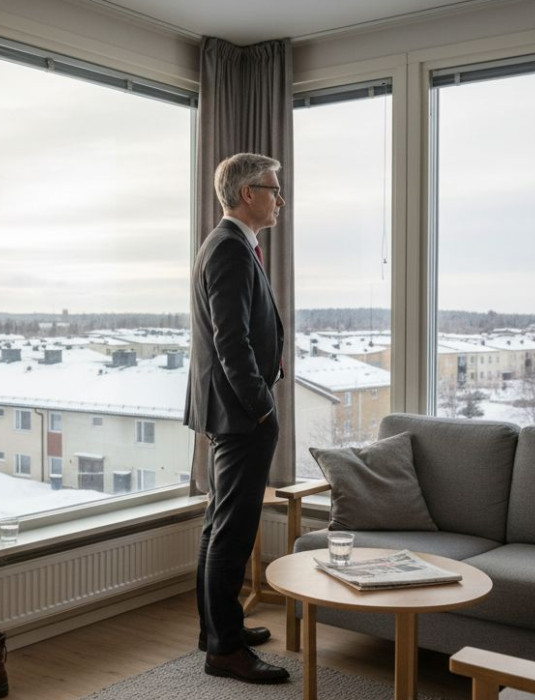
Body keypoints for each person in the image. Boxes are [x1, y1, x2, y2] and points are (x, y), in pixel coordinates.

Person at [184, 152, 288, 684]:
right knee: (232, 526)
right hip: (240, 414)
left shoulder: (229, 244)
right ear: (248, 194)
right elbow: (231, 342)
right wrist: (262, 408)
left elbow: (244, 327)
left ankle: (217, 629)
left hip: (228, 410)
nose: (280, 199)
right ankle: (224, 649)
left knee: (219, 521)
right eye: (273, 188)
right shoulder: (228, 249)